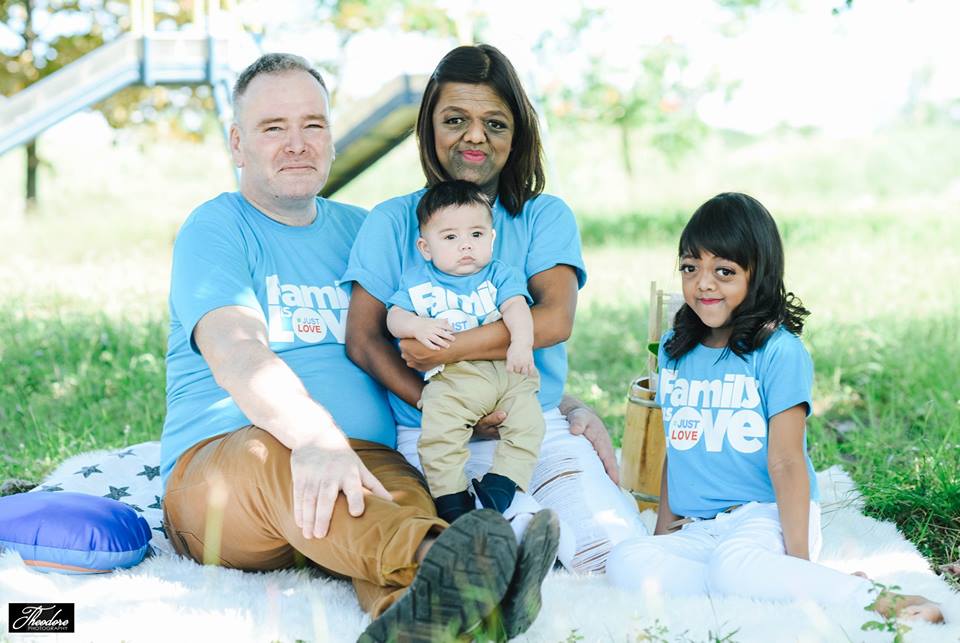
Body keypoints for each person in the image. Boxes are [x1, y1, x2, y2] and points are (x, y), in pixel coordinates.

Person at [159, 52, 558, 642]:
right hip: (229, 469)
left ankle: (429, 617)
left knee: (402, 499)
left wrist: (565, 404)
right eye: (274, 128)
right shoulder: (217, 227)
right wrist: (315, 438)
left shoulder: (365, 229)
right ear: (238, 144)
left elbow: (456, 314)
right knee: (274, 458)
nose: (297, 143)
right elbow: (236, 350)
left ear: (331, 137)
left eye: (313, 125)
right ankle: (477, 575)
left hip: (363, 459)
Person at [343, 43, 647, 577]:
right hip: (431, 431)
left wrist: (455, 347)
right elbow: (364, 339)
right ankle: (518, 536)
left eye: (495, 123)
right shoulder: (392, 222)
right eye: (455, 119)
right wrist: (444, 406)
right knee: (494, 544)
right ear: (428, 128)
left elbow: (554, 320)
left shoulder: (541, 216)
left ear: (518, 134)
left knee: (616, 552)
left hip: (535, 424)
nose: (475, 136)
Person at [606, 192, 943, 624]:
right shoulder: (676, 351)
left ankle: (864, 595)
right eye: (691, 268)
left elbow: (786, 461)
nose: (703, 283)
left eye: (724, 271)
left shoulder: (779, 351)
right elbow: (679, 443)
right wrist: (664, 534)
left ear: (757, 275)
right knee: (627, 561)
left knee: (733, 567)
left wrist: (797, 558)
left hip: (767, 519)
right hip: (703, 529)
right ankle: (776, 583)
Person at [387, 179, 545, 523]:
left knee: (529, 425)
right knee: (439, 435)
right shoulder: (419, 282)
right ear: (426, 247)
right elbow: (393, 318)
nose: (465, 246)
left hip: (509, 373)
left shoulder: (500, 274)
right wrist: (416, 326)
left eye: (476, 235)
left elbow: (517, 308)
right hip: (455, 378)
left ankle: (500, 485)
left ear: (491, 238)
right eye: (450, 237)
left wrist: (521, 343)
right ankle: (451, 499)